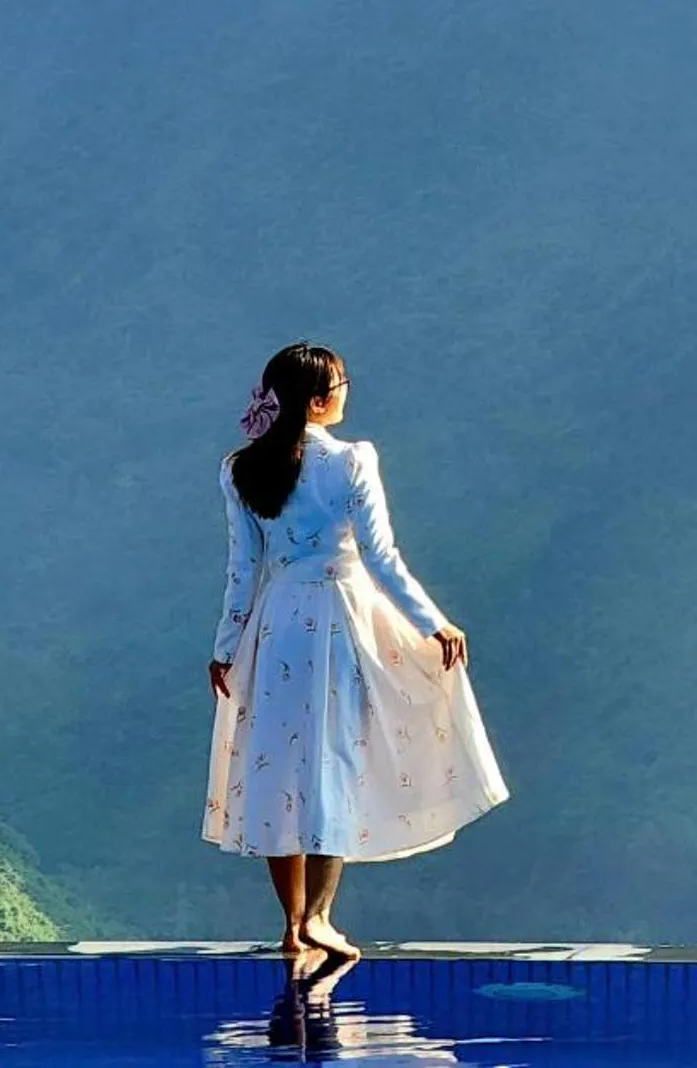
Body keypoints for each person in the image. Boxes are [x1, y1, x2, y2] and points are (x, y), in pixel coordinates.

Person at [203, 341, 508, 957]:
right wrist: (434, 623)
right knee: (331, 763)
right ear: (318, 400)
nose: (346, 392)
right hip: (341, 618)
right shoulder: (351, 463)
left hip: (276, 622)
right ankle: (320, 915)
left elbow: (243, 570)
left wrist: (226, 646)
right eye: (340, 384)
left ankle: (291, 927)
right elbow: (383, 558)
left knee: (277, 768)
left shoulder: (241, 467)